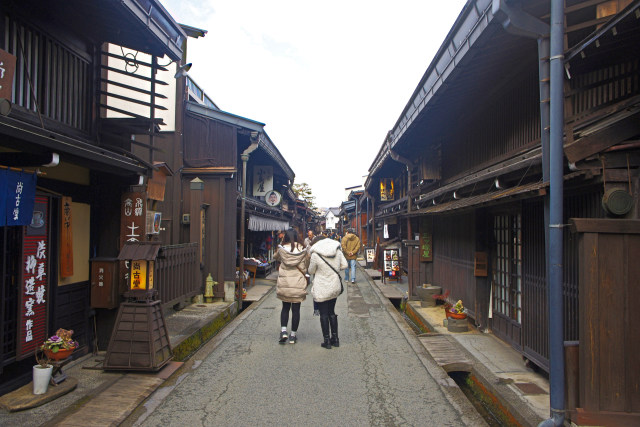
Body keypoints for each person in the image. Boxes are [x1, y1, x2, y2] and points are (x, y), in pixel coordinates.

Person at [308, 235, 348, 349]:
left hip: (321, 286)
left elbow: (311, 270)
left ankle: (327, 340)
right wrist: (334, 270)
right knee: (331, 311)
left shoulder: (315, 254)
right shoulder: (337, 251)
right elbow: (345, 265)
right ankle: (335, 339)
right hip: (334, 285)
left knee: (323, 313)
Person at [274, 229, 308, 344]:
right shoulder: (303, 250)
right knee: (296, 310)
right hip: (298, 283)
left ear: (286, 237)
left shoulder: (281, 250)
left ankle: (283, 331)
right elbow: (307, 265)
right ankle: (293, 335)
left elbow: (275, 257)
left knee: (285, 307)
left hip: (285, 284)